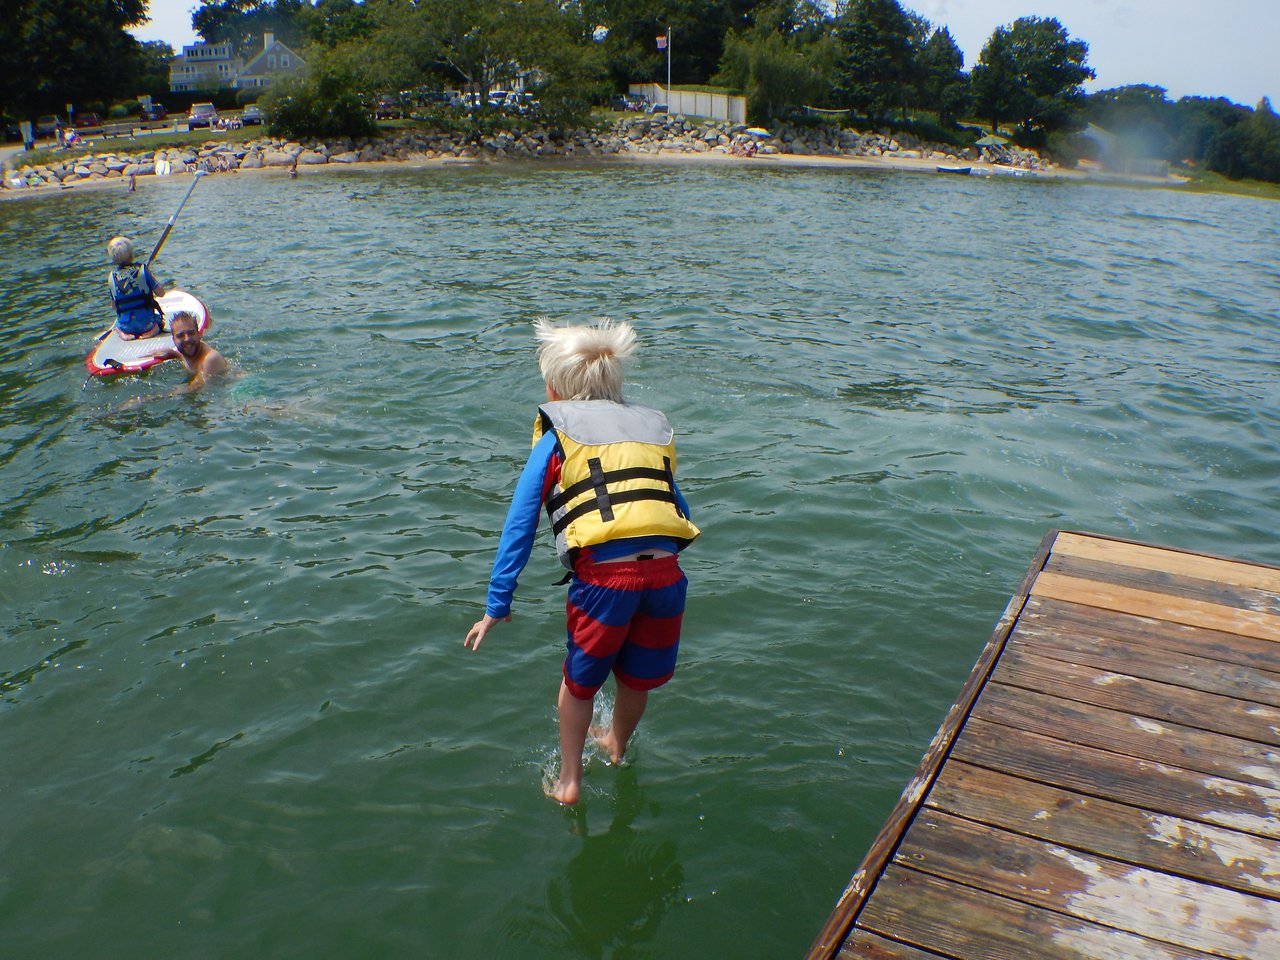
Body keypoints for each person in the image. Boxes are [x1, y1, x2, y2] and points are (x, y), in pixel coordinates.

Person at [464, 320, 700, 805]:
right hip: (666, 575)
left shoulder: (558, 437)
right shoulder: (651, 429)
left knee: (579, 683)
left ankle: (570, 782)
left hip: (606, 582)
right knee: (636, 676)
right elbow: (673, 504)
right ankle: (616, 744)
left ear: (555, 388)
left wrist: (497, 604)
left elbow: (521, 522)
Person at [106, 236, 166, 340]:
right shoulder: (142, 271)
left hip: (126, 327)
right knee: (160, 321)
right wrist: (150, 277)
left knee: (118, 323)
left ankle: (122, 333)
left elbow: (114, 307)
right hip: (147, 324)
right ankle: (153, 329)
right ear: (131, 255)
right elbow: (161, 293)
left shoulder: (112, 277)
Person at [156, 311, 228, 389]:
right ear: (173, 340)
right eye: (180, 336)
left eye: (191, 333)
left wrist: (155, 398)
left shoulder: (210, 359)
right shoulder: (187, 353)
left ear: (199, 334)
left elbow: (194, 387)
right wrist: (173, 354)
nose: (187, 339)